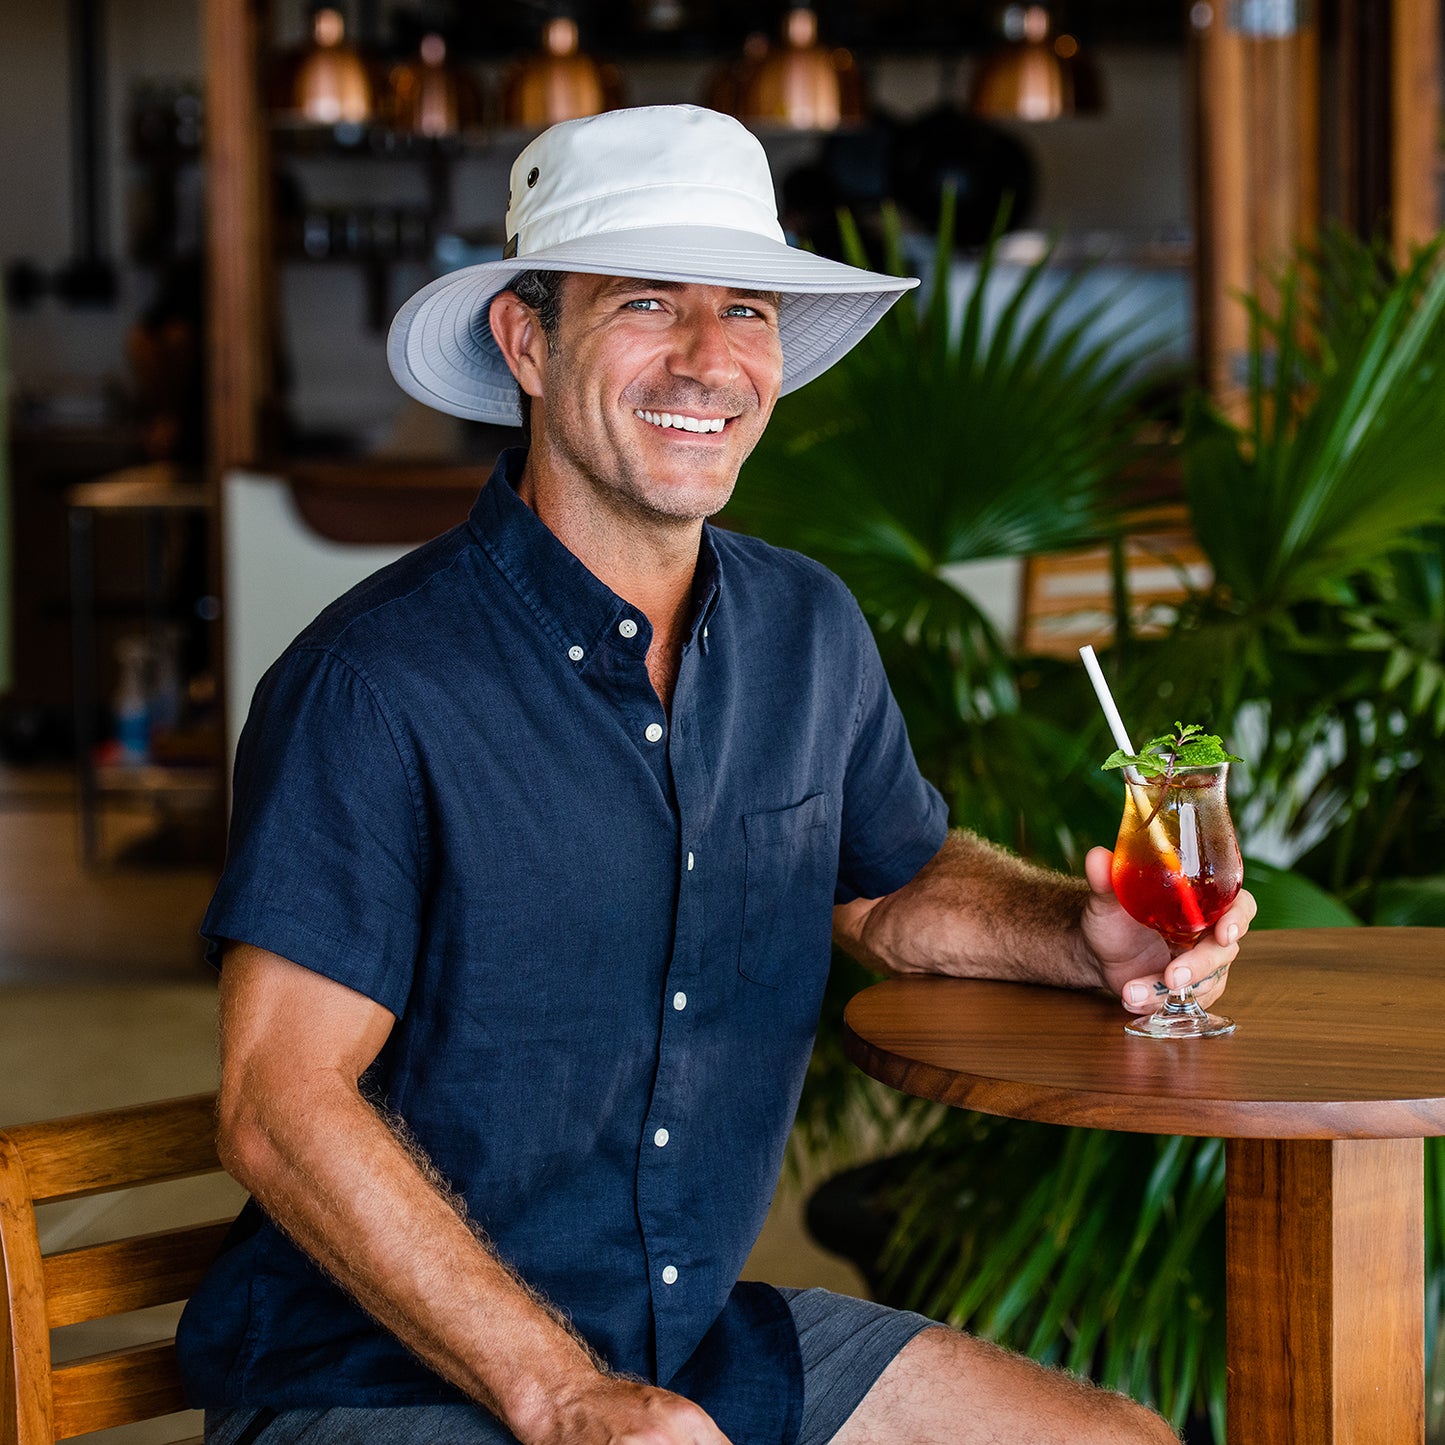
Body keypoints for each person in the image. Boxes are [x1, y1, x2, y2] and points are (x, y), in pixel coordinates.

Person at [178, 105, 1254, 1445]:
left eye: (744, 309)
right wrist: (560, 1391)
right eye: (643, 301)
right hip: (388, 1374)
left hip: (685, 1346)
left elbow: (889, 890)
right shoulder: (374, 684)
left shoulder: (804, 627)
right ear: (526, 340)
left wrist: (1076, 935)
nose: (708, 358)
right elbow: (278, 1104)